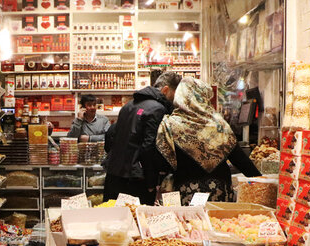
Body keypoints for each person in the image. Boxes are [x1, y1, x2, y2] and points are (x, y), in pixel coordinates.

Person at [155, 77, 261, 205]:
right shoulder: (218, 125)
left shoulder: (169, 124)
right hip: (219, 193)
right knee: (220, 224)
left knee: (190, 224)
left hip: (185, 193)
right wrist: (261, 181)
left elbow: (162, 162)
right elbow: (239, 159)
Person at [103, 71, 181, 205]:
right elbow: (148, 147)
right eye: (175, 95)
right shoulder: (157, 109)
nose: (175, 100)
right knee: (138, 219)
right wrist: (151, 181)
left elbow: (111, 135)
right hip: (136, 180)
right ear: (166, 90)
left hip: (114, 175)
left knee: (114, 219)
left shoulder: (129, 105)